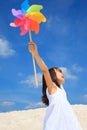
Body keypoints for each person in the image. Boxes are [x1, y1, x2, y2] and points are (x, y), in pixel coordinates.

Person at [28, 41, 83, 130]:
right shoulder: (52, 87)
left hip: (68, 123)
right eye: (58, 71)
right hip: (56, 124)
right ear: (52, 75)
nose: (62, 72)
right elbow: (45, 70)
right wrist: (35, 54)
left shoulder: (61, 89)